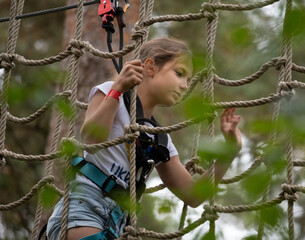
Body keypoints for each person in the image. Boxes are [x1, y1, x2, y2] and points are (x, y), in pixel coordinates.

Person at [46, 37, 242, 240]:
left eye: (188, 80)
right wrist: (118, 89)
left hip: (117, 225)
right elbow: (92, 139)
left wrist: (230, 151)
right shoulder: (112, 94)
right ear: (150, 67)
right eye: (179, 74)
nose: (184, 86)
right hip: (82, 211)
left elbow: (193, 195)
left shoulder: (159, 139)